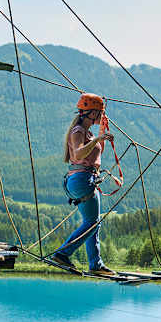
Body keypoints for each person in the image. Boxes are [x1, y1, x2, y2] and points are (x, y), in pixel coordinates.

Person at [50, 93, 115, 276]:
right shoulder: (78, 131)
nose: (102, 116)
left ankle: (95, 263)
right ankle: (63, 253)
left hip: (82, 179)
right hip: (83, 179)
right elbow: (78, 154)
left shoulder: (86, 132)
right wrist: (96, 140)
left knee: (92, 222)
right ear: (92, 113)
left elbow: (89, 151)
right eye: (100, 113)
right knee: (93, 223)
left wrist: (99, 136)